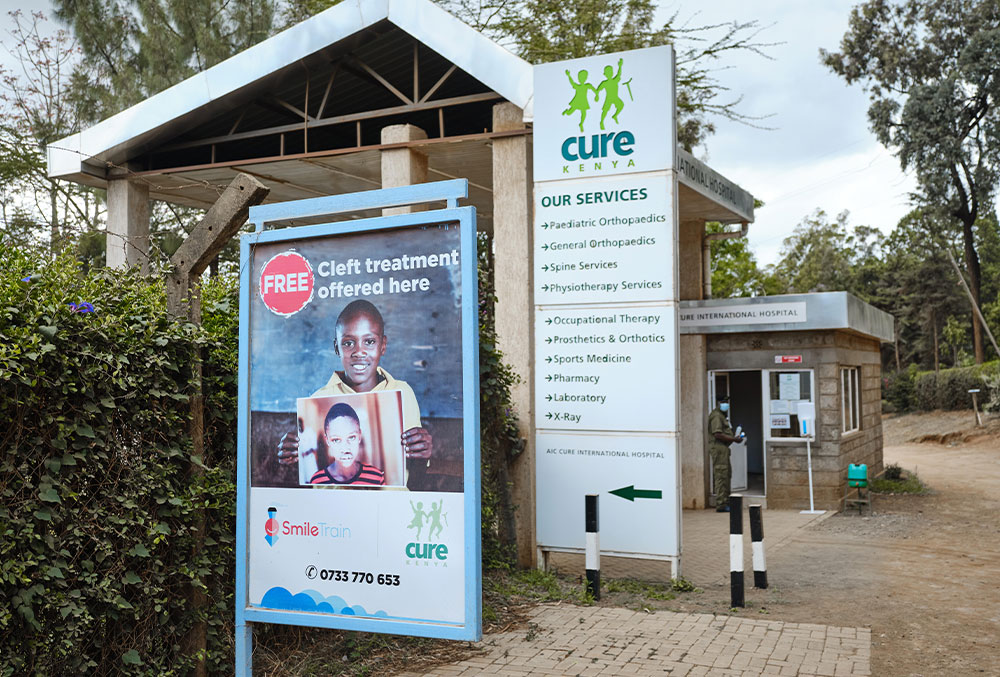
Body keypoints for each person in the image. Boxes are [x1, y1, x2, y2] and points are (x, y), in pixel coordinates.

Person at [278, 300, 433, 477]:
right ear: (337, 348)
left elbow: (417, 472)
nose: (359, 352)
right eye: (348, 343)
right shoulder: (320, 397)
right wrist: (290, 457)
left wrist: (422, 453)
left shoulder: (403, 392)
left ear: (383, 345)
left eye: (369, 341)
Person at [310, 402, 385, 486]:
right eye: (336, 440)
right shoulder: (317, 481)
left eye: (351, 437)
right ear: (327, 441)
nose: (345, 449)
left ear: (359, 436)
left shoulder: (376, 477)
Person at [708, 396, 744, 512]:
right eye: (723, 402)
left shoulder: (722, 415)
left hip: (723, 449)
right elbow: (717, 434)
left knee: (726, 475)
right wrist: (733, 439)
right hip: (719, 450)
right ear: (718, 403)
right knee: (721, 476)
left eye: (727, 402)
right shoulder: (717, 416)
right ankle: (721, 504)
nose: (726, 404)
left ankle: (726, 501)